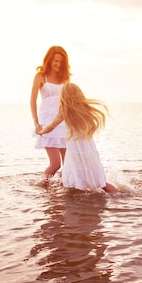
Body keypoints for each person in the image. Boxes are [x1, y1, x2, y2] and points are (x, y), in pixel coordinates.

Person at [37, 83, 117, 193]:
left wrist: (41, 132)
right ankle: (118, 195)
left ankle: (71, 200)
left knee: (70, 177)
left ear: (64, 97)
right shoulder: (85, 109)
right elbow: (91, 125)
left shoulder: (64, 112)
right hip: (88, 148)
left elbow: (51, 126)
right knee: (101, 183)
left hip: (75, 149)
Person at [31, 46, 71, 186]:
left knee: (68, 165)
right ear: (49, 60)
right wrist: (36, 123)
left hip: (63, 122)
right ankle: (42, 186)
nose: (58, 64)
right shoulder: (41, 76)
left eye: (61, 61)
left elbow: (69, 100)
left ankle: (63, 191)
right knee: (55, 164)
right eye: (55, 61)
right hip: (47, 122)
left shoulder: (65, 78)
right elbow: (32, 100)